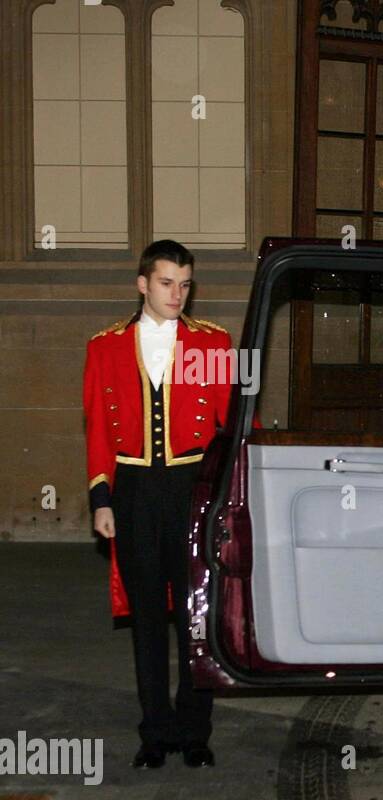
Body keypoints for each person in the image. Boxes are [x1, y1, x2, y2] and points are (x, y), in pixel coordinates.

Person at [83, 239, 235, 769]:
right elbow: (97, 430)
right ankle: (155, 732)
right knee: (148, 614)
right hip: (134, 492)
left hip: (192, 488)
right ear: (143, 283)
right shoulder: (104, 347)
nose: (178, 293)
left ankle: (195, 729)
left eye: (186, 283)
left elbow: (230, 425)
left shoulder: (211, 344)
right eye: (167, 282)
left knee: (196, 613)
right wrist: (101, 498)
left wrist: (235, 493)